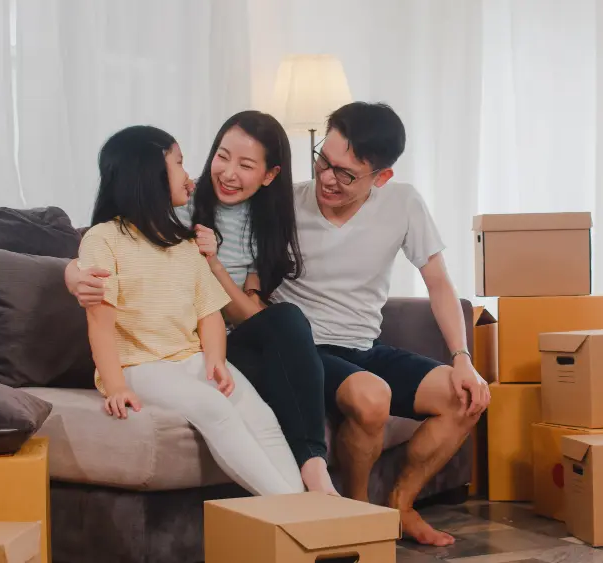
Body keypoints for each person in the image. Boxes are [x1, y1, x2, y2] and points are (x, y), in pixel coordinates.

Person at [66, 113, 336, 494]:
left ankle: (308, 502)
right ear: (150, 176)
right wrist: (114, 387)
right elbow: (100, 324)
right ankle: (292, 508)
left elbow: (209, 310)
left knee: (259, 414)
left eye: (245, 165)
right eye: (178, 163)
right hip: (140, 366)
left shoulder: (185, 240)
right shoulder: (105, 238)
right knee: (214, 409)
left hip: (191, 356)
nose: (190, 172)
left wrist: (216, 361)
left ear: (269, 174)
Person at [271, 101, 491, 546]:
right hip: (300, 349)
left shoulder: (403, 202)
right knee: (373, 398)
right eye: (323, 161)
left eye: (347, 174)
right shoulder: (284, 204)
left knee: (466, 397)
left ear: (382, 177)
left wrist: (462, 359)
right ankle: (356, 518)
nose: (328, 179)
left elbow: (440, 285)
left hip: (361, 347)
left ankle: (399, 506)